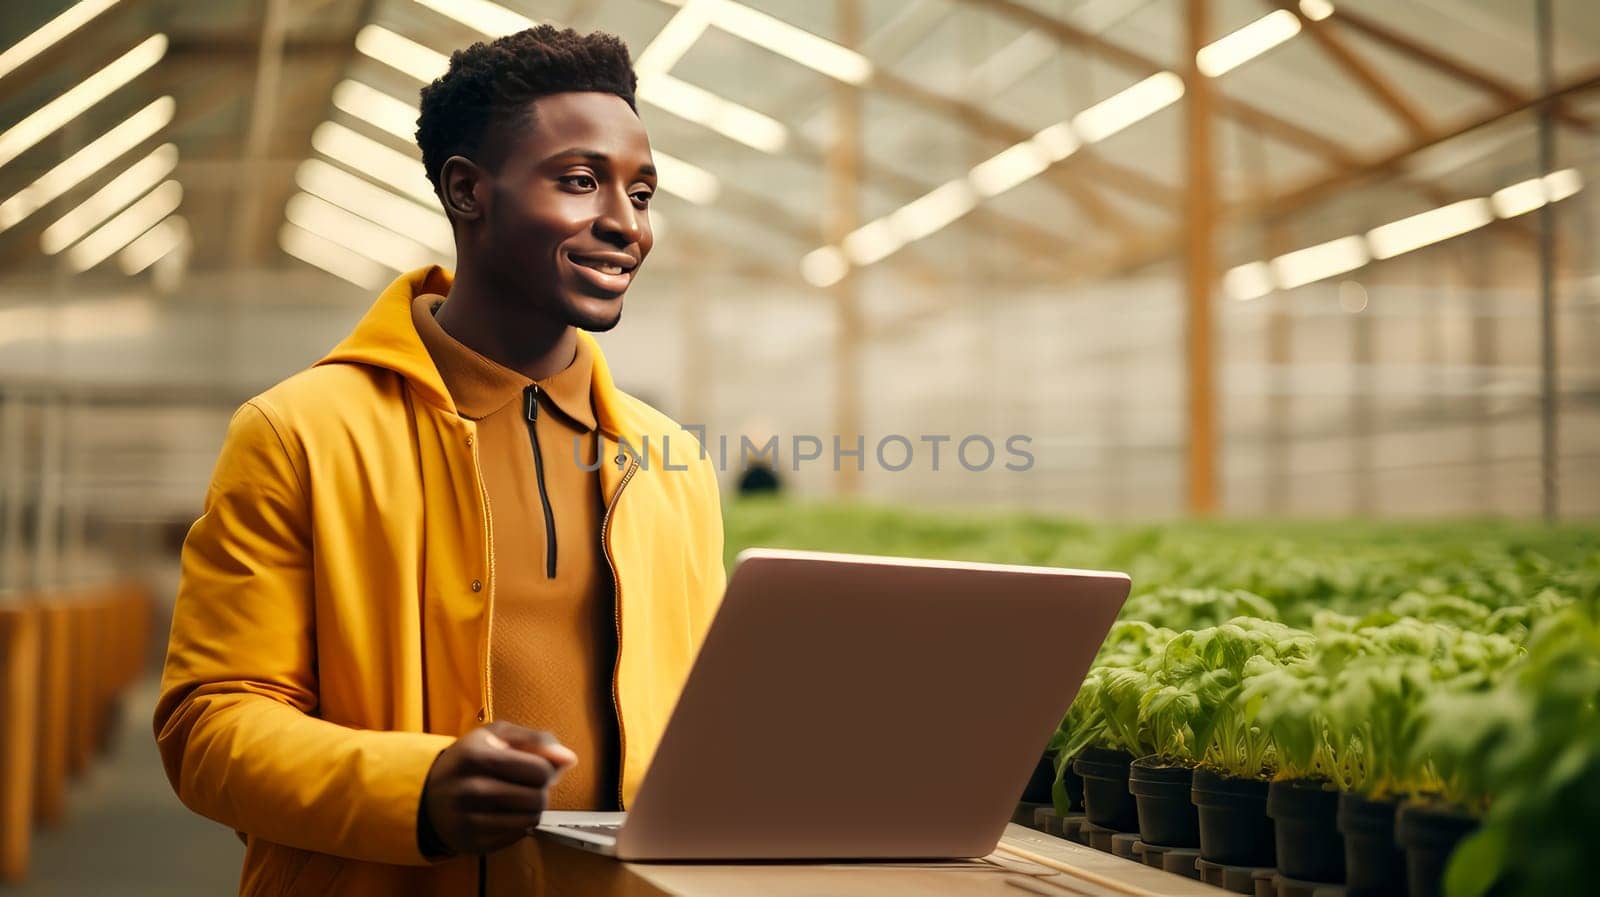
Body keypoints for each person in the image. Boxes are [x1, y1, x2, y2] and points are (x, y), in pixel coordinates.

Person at [153, 26, 725, 897]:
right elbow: (209, 723)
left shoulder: (670, 462)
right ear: (470, 192)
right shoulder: (298, 432)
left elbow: (706, 724)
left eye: (641, 192)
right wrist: (416, 789)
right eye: (580, 181)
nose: (625, 223)